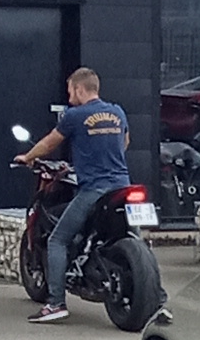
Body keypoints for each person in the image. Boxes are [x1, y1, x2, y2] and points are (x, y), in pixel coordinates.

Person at [15, 66, 130, 323]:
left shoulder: (75, 115)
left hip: (95, 189)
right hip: (123, 186)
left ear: (79, 89)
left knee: (58, 240)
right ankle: (157, 298)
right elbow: (125, 142)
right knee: (132, 237)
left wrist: (28, 157)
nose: (69, 97)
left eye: (70, 91)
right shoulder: (117, 112)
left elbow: (49, 143)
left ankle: (55, 304)